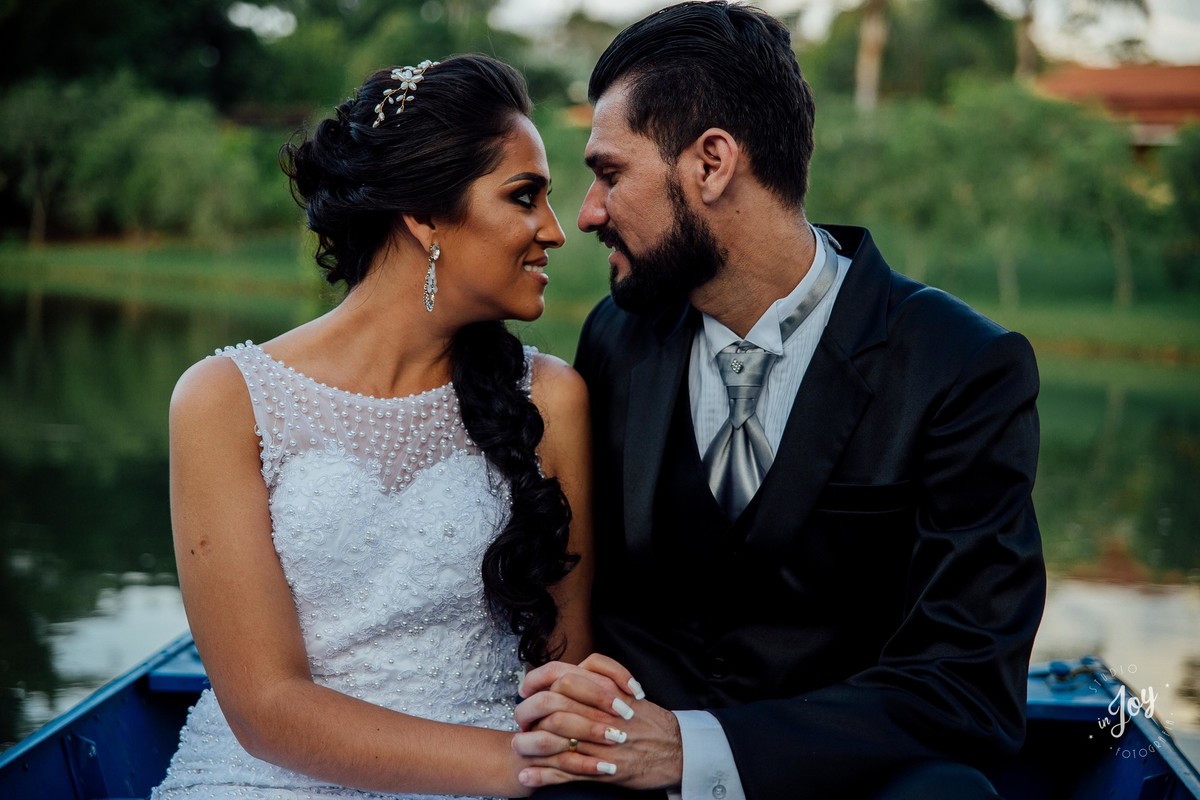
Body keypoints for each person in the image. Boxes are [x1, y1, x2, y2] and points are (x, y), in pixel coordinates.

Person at [509, 3, 1046, 799]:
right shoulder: (617, 337)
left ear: (713, 163)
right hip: (629, 775)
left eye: (610, 173)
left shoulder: (961, 365)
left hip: (852, 778)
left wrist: (696, 749)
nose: (587, 213)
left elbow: (968, 682)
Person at [152, 54, 598, 799]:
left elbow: (566, 668)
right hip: (270, 778)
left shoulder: (551, 400)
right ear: (423, 217)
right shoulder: (226, 400)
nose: (554, 231)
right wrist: (521, 766)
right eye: (524, 197)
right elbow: (266, 710)